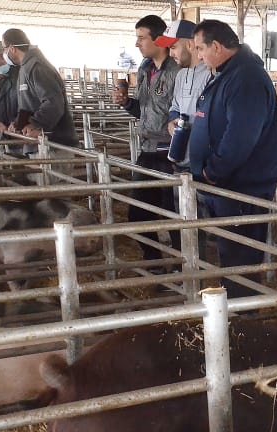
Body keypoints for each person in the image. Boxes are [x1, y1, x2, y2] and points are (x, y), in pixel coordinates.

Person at [187, 19, 277, 298]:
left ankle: (243, 314)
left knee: (240, 255)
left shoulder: (246, 78)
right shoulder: (229, 74)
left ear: (217, 46)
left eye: (200, 48)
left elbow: (240, 136)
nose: (199, 56)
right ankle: (235, 309)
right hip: (228, 184)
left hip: (241, 186)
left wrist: (213, 171)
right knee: (230, 251)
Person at [114, 15, 182, 262]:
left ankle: (182, 265)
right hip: (148, 149)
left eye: (141, 38)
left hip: (170, 152)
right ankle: (153, 260)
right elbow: (145, 112)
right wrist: (127, 103)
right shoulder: (144, 70)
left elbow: (181, 112)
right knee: (139, 212)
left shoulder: (177, 72)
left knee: (175, 214)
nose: (137, 43)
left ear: (159, 40)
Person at [1, 28, 76, 147]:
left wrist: (36, 124)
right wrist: (17, 124)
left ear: (12, 48)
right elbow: (30, 104)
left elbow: (54, 103)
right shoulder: (25, 67)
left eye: (4, 48)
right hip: (38, 143)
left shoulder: (37, 67)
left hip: (53, 144)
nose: (4, 53)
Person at [159, 19, 209, 171]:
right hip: (180, 158)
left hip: (202, 163)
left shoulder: (210, 74)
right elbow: (175, 107)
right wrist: (172, 121)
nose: (170, 54)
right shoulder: (181, 75)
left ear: (189, 45)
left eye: (173, 47)